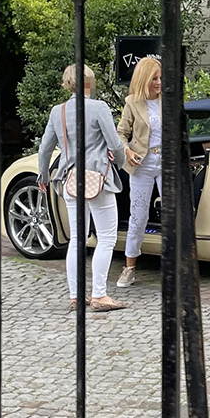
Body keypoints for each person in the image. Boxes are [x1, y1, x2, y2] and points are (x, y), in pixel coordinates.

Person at [37, 65, 129, 312]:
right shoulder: (99, 108)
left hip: (70, 180)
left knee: (77, 238)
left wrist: (43, 175)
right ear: (89, 82)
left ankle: (76, 295)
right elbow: (116, 145)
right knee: (107, 237)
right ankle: (99, 294)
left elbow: (45, 148)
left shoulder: (58, 112)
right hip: (98, 180)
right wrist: (120, 163)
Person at [115, 57, 162, 288]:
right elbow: (121, 133)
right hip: (142, 164)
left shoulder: (168, 100)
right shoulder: (132, 102)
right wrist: (127, 151)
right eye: (154, 78)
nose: (159, 82)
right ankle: (129, 268)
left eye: (160, 78)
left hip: (166, 162)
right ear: (144, 79)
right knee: (138, 216)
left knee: (173, 214)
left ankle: (175, 265)